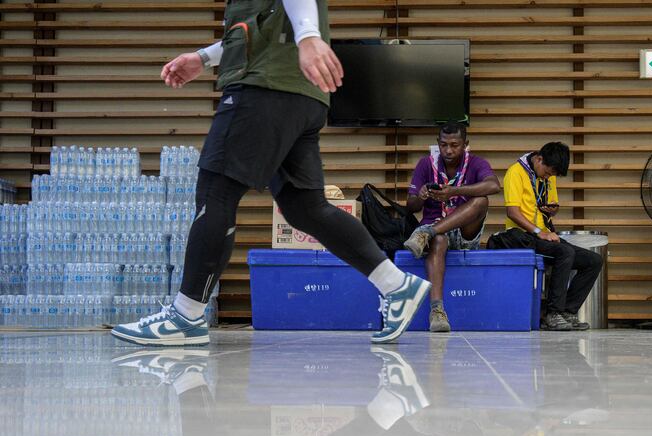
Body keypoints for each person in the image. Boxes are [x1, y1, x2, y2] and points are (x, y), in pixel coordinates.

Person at [112, 0, 430, 346]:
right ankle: (396, 285)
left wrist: (308, 36)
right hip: (300, 96)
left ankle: (186, 314)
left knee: (216, 190)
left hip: (265, 88)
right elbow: (257, 29)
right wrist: (203, 59)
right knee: (306, 208)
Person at [490, 142, 602, 331]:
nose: (549, 177)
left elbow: (551, 207)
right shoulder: (515, 172)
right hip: (522, 236)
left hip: (544, 235)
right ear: (539, 159)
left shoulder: (548, 176)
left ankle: (567, 312)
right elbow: (512, 212)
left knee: (594, 260)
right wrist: (539, 232)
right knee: (565, 252)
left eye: (552, 175)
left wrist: (552, 210)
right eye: (548, 173)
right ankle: (553, 314)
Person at [402, 123, 500, 332]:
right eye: (444, 145)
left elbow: (494, 186)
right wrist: (419, 196)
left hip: (465, 233)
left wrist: (454, 191)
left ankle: (427, 232)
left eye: (455, 145)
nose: (448, 150)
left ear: (465, 145)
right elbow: (410, 207)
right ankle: (437, 312)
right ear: (438, 144)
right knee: (438, 239)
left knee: (481, 201)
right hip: (436, 232)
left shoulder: (476, 163)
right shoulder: (425, 164)